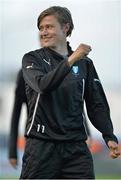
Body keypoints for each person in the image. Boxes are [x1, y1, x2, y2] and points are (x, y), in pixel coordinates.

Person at [20, 6, 120, 179]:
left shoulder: (85, 64)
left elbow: (96, 104)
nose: (44, 32)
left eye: (49, 27)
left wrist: (108, 135)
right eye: (41, 28)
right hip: (41, 147)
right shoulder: (31, 59)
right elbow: (43, 85)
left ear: (65, 28)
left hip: (76, 148)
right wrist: (72, 59)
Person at [8, 69, 28, 168]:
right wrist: (12, 152)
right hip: (35, 140)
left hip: (68, 137)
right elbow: (16, 113)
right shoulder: (25, 72)